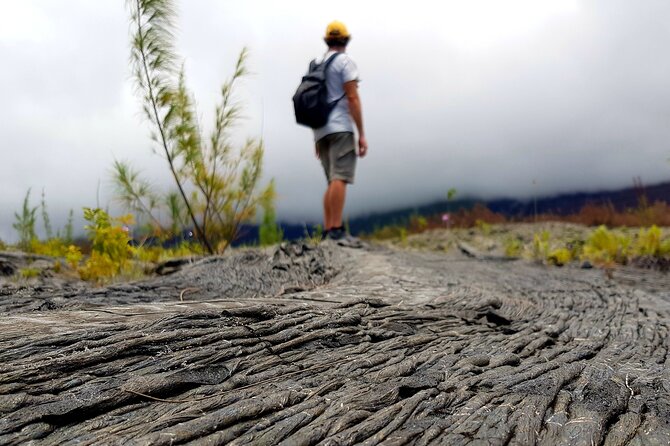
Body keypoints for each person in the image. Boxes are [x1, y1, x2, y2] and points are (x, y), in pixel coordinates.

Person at [311, 21, 368, 241]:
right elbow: (352, 97)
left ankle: (328, 229)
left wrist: (315, 137)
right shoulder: (345, 62)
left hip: (320, 130)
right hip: (341, 127)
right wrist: (361, 133)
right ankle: (335, 231)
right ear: (345, 40)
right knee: (340, 178)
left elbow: (314, 101)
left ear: (327, 40)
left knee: (331, 180)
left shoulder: (316, 64)